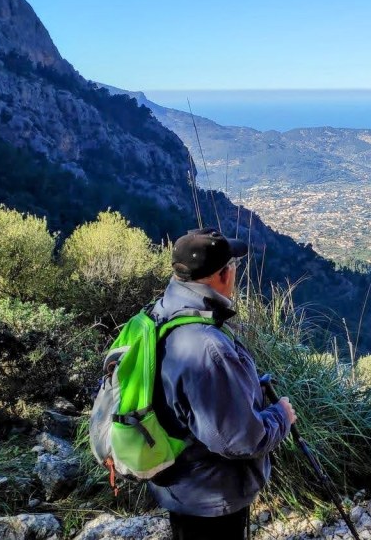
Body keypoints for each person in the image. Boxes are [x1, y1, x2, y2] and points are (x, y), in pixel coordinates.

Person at [148, 227, 296, 540]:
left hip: (180, 485)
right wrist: (281, 416)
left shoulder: (162, 312)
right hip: (211, 497)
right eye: (233, 267)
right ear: (223, 275)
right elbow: (238, 440)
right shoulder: (206, 346)